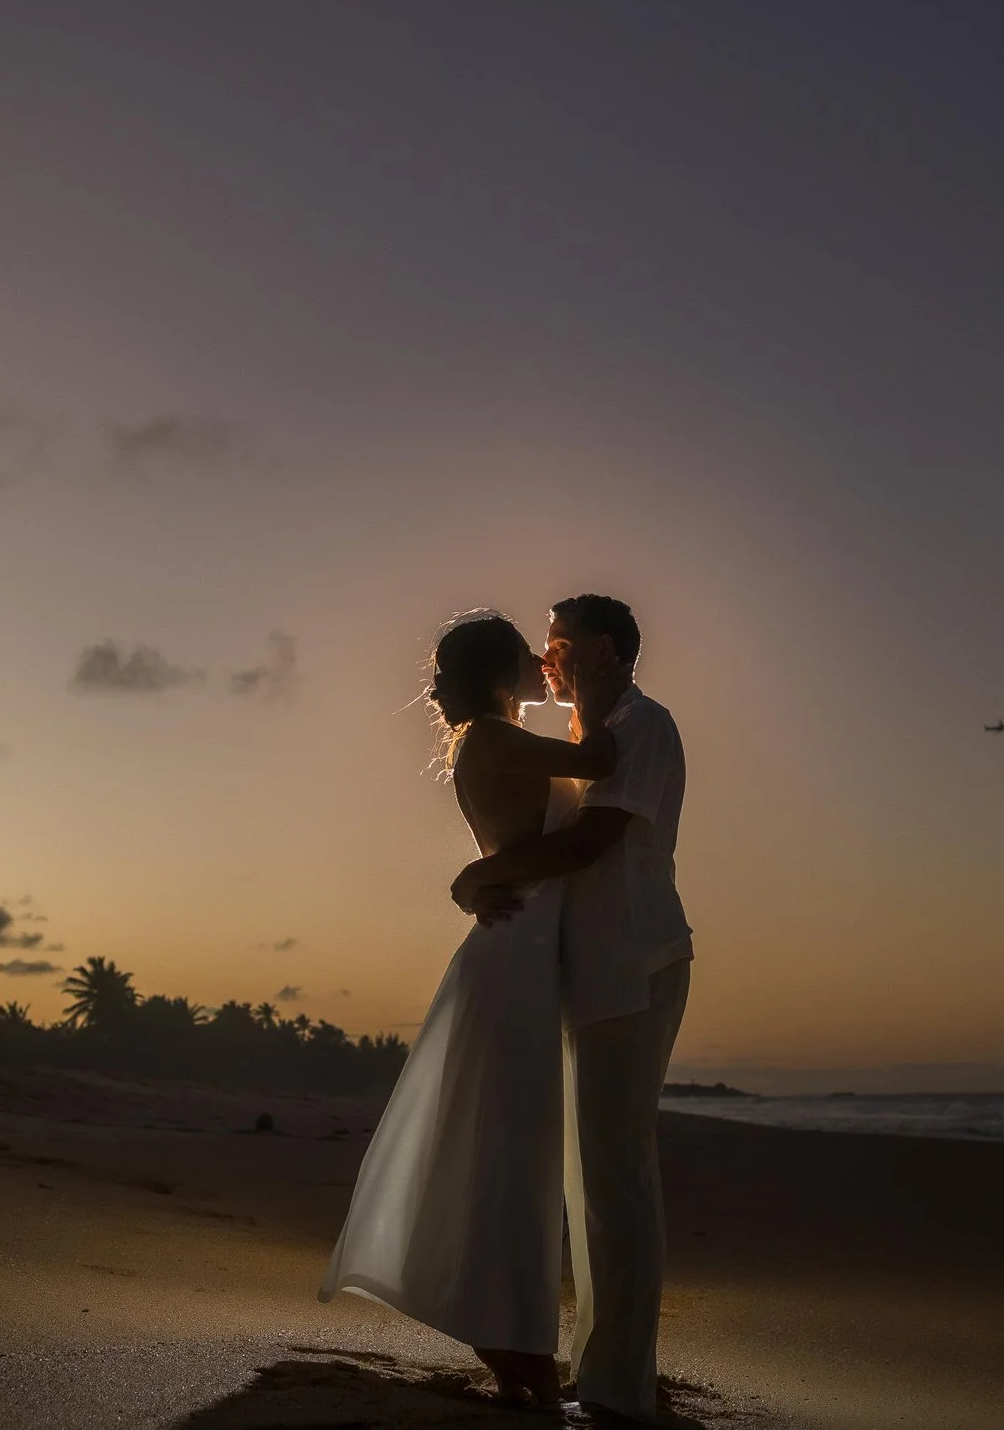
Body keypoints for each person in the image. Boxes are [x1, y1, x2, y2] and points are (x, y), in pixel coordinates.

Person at [321, 611, 626, 1409]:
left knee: (512, 1146)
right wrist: (588, 679)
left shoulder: (491, 736)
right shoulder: (492, 738)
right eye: (532, 653)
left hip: (523, 945)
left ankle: (513, 1336)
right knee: (510, 1148)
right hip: (515, 949)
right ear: (502, 670)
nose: (542, 660)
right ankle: (511, 1338)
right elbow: (601, 757)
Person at [454, 594, 691, 1424]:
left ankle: (620, 1389)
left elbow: (594, 842)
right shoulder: (590, 732)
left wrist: (484, 877)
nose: (548, 654)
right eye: (544, 643)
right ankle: (600, 1374)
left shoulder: (641, 725)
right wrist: (484, 873)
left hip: (636, 963)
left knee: (616, 1177)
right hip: (579, 971)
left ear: (604, 648)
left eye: (559, 640)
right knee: (591, 1180)